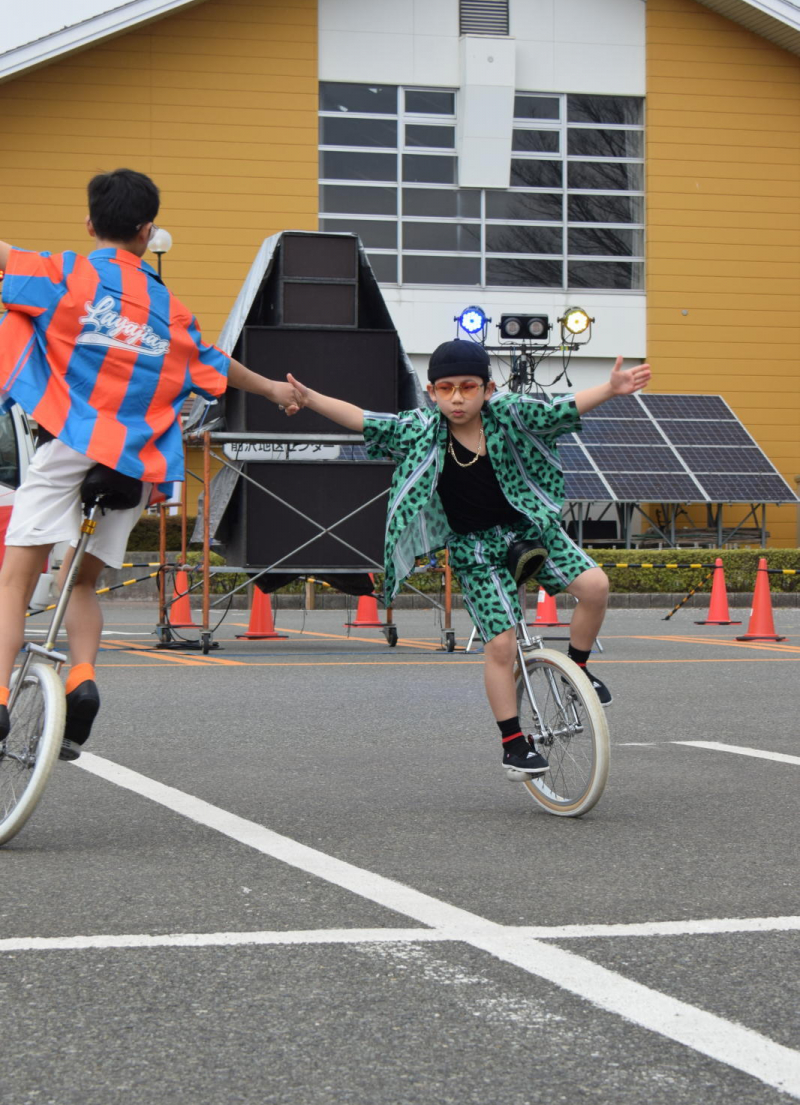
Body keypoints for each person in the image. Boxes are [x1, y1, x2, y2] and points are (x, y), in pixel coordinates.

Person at [0, 167, 300, 756]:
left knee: (15, 580)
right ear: (147, 230)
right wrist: (275, 391)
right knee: (81, 580)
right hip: (135, 465)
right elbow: (216, 367)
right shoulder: (170, 309)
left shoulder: (65, 274)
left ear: (90, 223)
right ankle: (82, 676)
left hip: (72, 445)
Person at [284, 339, 651, 780]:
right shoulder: (420, 428)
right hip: (475, 551)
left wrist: (610, 389)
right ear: (432, 391)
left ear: (488, 389)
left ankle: (580, 670)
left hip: (530, 530)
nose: (457, 398)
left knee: (595, 586)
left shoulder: (511, 413)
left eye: (468, 387)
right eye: (445, 388)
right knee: (500, 644)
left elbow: (559, 410)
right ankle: (514, 745)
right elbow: (365, 420)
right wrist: (310, 399)